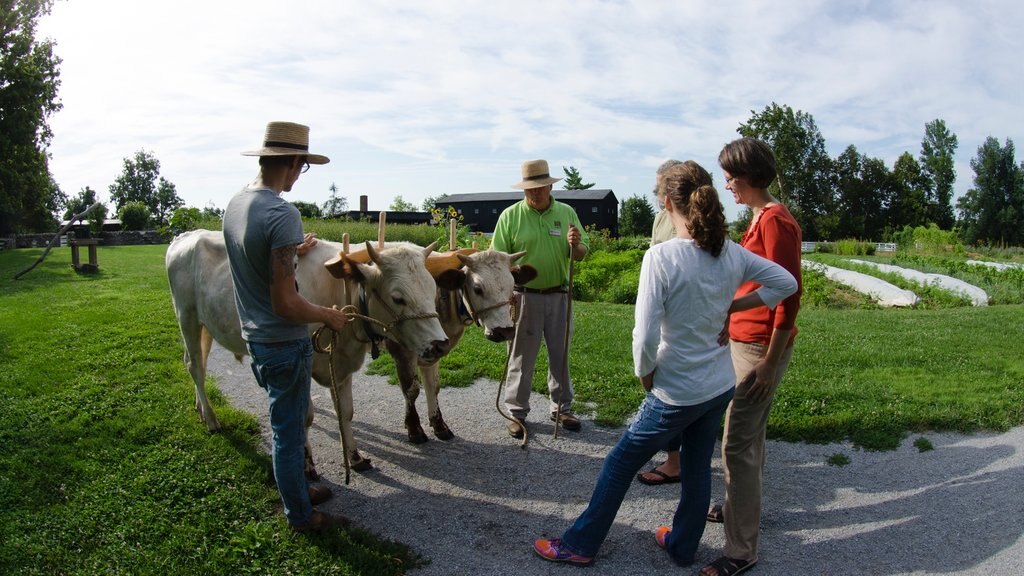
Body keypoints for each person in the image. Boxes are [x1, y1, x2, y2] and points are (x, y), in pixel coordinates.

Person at [533, 161, 797, 568]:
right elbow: (786, 283)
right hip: (718, 384)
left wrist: (644, 372)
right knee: (695, 467)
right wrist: (733, 304)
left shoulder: (662, 257)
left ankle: (580, 543)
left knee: (620, 462)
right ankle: (682, 545)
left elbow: (645, 334)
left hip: (677, 389)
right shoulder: (732, 253)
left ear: (666, 203)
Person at [223, 121, 350, 533]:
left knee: (289, 425)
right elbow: (286, 302)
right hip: (284, 341)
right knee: (289, 434)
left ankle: (296, 490)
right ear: (294, 162)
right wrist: (329, 315)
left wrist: (292, 250)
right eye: (302, 167)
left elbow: (254, 258)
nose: (299, 175)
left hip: (256, 338)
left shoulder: (237, 205)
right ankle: (301, 515)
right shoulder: (281, 212)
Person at [700, 137, 803, 576]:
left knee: (737, 444)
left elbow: (789, 295)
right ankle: (736, 508)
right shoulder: (759, 217)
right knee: (748, 437)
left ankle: (741, 551)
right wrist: (732, 308)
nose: (727, 185)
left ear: (750, 176)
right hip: (746, 341)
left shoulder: (776, 221)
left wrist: (768, 361)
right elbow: (756, 289)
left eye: (731, 176)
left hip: (761, 348)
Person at [491, 159, 589, 438]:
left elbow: (582, 254)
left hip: (559, 294)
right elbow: (498, 261)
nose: (534, 194)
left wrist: (576, 245)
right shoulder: (510, 216)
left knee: (560, 354)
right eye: (529, 189)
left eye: (539, 188)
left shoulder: (567, 212)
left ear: (549, 186)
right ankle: (516, 412)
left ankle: (562, 408)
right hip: (524, 298)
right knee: (521, 357)